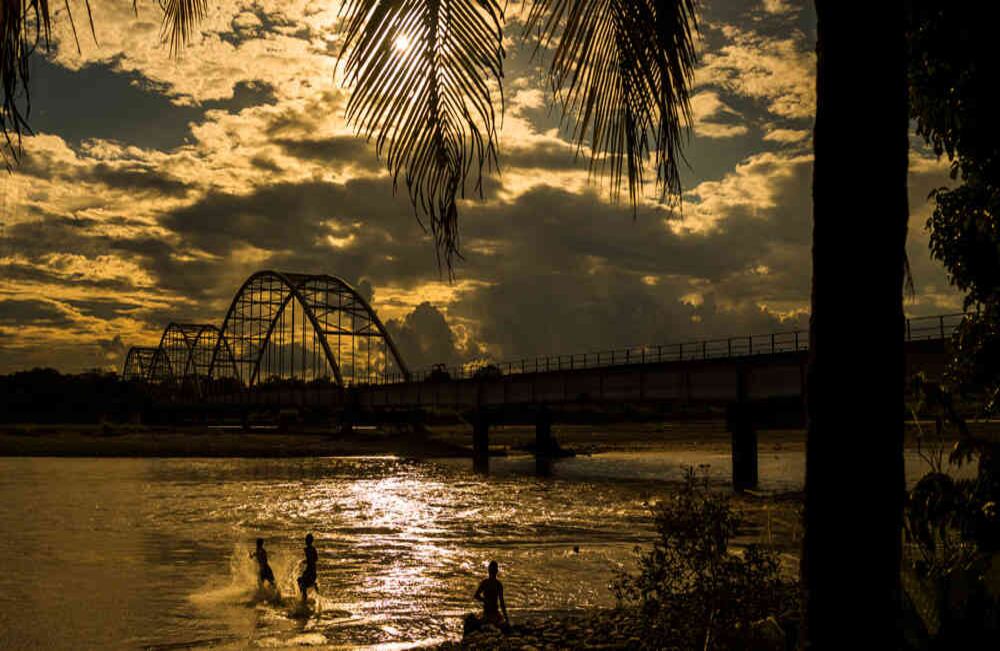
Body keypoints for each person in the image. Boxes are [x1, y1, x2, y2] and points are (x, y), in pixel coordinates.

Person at [473, 560, 510, 633]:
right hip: (488, 613)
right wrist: (484, 600)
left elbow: (502, 603)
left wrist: (506, 618)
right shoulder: (488, 583)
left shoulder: (495, 584)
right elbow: (476, 595)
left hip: (494, 613)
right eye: (492, 570)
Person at [297, 533, 318, 603]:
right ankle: (303, 597)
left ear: (310, 541)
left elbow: (315, 559)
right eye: (306, 540)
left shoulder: (311, 549)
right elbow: (314, 559)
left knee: (301, 582)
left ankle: (304, 598)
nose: (305, 541)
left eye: (306, 540)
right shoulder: (307, 549)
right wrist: (306, 561)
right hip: (309, 570)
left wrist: (308, 561)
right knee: (300, 581)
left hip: (311, 570)